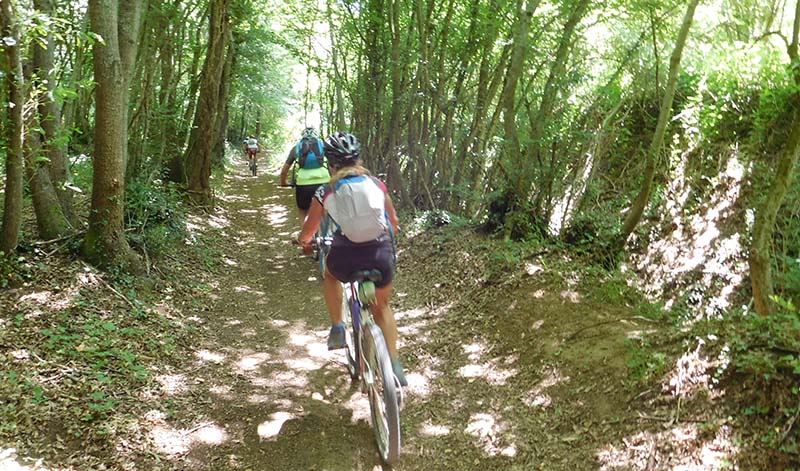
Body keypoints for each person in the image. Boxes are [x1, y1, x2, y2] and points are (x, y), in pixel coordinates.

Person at [297, 131, 407, 386]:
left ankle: (338, 327)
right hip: (381, 255)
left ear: (331, 165)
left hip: (345, 256)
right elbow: (393, 222)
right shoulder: (377, 184)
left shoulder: (326, 191)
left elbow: (309, 230)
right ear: (358, 160)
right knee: (382, 307)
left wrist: (304, 241)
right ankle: (394, 364)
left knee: (330, 273)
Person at [280, 127, 330, 225]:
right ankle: (326, 231)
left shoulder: (297, 148)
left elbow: (284, 171)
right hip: (324, 182)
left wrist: (284, 183)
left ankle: (305, 234)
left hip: (303, 184)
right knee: (325, 208)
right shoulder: (323, 146)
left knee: (303, 210)